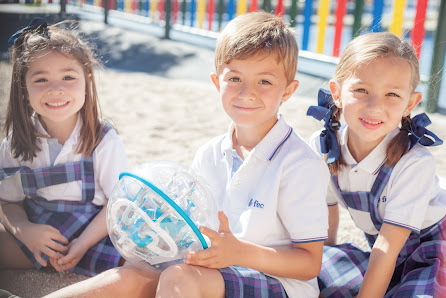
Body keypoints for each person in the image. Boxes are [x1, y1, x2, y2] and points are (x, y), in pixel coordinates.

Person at [45, 11, 330, 298]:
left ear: (289, 91)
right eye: (235, 78)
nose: (247, 92)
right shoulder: (209, 154)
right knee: (135, 270)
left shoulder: (299, 163)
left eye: (264, 82)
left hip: (280, 283)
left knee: (179, 278)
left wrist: (237, 252)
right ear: (217, 82)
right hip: (216, 268)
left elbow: (309, 263)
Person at [307, 32, 446, 297]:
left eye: (392, 94)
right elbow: (326, 210)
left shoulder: (413, 162)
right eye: (361, 90)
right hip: (384, 255)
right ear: (336, 93)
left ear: (410, 104)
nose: (375, 106)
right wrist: (321, 267)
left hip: (434, 251)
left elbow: (387, 246)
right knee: (313, 275)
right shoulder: (324, 145)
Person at [0, 18, 130, 277]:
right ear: (23, 88)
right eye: (41, 80)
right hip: (39, 237)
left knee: (138, 264)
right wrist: (24, 231)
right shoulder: (17, 142)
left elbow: (118, 204)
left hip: (95, 234)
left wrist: (81, 245)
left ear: (87, 81)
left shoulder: (102, 139)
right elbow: (7, 200)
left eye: (68, 77)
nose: (56, 89)